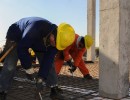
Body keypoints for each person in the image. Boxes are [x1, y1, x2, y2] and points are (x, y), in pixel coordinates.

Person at [0, 17, 75, 100]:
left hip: (38, 42)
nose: (55, 45)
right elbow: (22, 48)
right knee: (10, 66)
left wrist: (41, 78)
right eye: (55, 42)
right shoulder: (36, 28)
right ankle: (2, 90)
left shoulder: (56, 43)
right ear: (54, 33)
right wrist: (28, 68)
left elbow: (48, 61)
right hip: (16, 35)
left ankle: (54, 90)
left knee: (50, 65)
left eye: (57, 45)